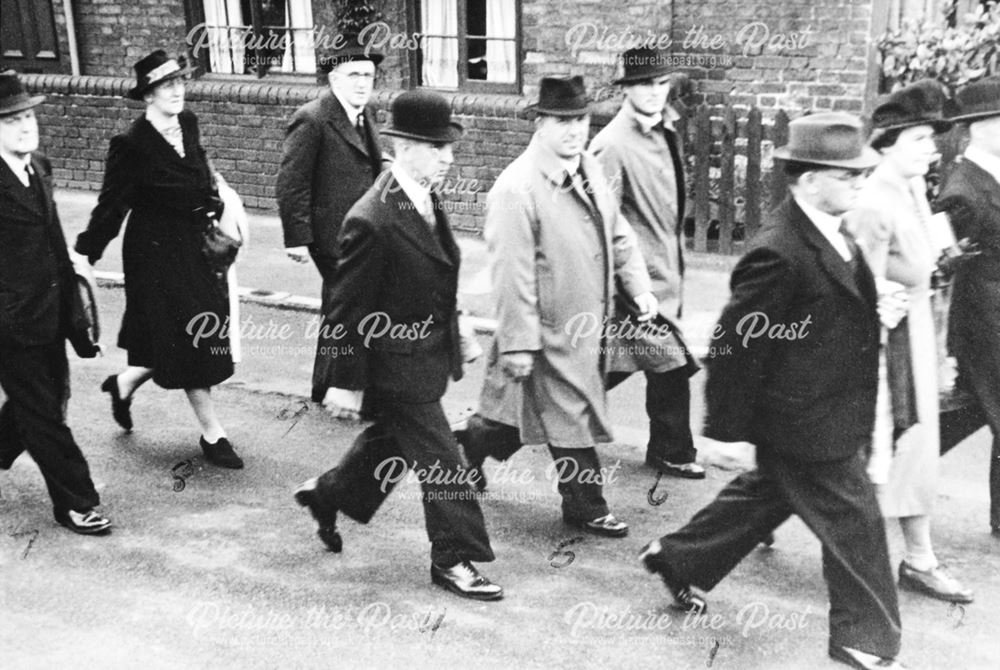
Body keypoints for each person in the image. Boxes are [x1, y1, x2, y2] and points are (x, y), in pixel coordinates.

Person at [639, 113, 911, 670]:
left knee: (768, 494)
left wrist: (875, 302)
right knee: (856, 525)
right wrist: (723, 434)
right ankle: (866, 640)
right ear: (809, 180)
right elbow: (736, 346)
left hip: (829, 409)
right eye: (849, 175)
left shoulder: (832, 228)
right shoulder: (778, 250)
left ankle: (678, 560)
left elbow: (830, 302)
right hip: (803, 419)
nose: (861, 183)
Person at [293, 91, 502, 601]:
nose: (448, 157)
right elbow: (344, 307)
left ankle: (328, 494)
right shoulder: (372, 218)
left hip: (426, 352)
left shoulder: (421, 195)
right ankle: (454, 559)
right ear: (404, 146)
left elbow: (435, 275)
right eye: (437, 147)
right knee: (444, 463)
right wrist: (342, 385)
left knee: (391, 441)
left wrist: (461, 329)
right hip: (393, 362)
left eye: (449, 147)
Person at [455, 76, 657, 538]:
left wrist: (639, 284)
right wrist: (519, 343)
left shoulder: (588, 168)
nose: (574, 130)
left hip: (589, 325)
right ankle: (586, 505)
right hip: (546, 330)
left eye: (581, 119)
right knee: (572, 415)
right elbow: (511, 274)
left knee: (529, 413)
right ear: (540, 123)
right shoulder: (516, 187)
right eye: (562, 121)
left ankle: (470, 440)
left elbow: (618, 233)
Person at [75, 50, 242, 469]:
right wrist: (85, 252)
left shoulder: (187, 123)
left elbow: (199, 169)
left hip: (197, 247)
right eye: (165, 85)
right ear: (147, 94)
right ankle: (213, 433)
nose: (176, 90)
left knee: (177, 336)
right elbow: (111, 205)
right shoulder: (132, 145)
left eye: (179, 82)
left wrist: (216, 205)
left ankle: (124, 383)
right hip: (156, 256)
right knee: (189, 337)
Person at [848, 80, 973, 603]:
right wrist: (887, 296)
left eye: (931, 139)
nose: (930, 149)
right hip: (887, 349)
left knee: (907, 452)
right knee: (880, 452)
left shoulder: (914, 189)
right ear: (888, 144)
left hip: (918, 336)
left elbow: (923, 262)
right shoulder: (875, 201)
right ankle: (915, 560)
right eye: (919, 139)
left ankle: (917, 559)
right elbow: (859, 282)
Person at [0, 71, 111, 534]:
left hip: (49, 313)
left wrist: (75, 317)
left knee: (48, 402)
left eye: (28, 115)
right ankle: (75, 502)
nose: (26, 126)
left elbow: (53, 242)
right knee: (45, 414)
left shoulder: (38, 166)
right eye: (11, 120)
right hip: (8, 322)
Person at [590, 47, 703, 479]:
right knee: (670, 361)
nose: (655, 92)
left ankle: (545, 413)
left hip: (665, 273)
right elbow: (601, 224)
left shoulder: (664, 128)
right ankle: (673, 451)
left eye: (660, 83)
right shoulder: (612, 146)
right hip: (637, 283)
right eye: (644, 84)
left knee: (612, 369)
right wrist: (628, 284)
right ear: (627, 90)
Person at [275, 37, 387, 411]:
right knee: (354, 303)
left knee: (340, 306)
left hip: (362, 231)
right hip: (331, 235)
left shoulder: (364, 113)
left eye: (368, 75)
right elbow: (292, 180)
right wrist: (296, 238)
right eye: (354, 74)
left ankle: (327, 386)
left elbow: (370, 166)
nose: (362, 82)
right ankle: (348, 390)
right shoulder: (313, 117)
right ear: (334, 78)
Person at [933, 75, 1000, 538]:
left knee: (965, 412)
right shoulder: (962, 190)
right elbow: (941, 266)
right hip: (983, 325)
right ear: (978, 126)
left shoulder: (990, 176)